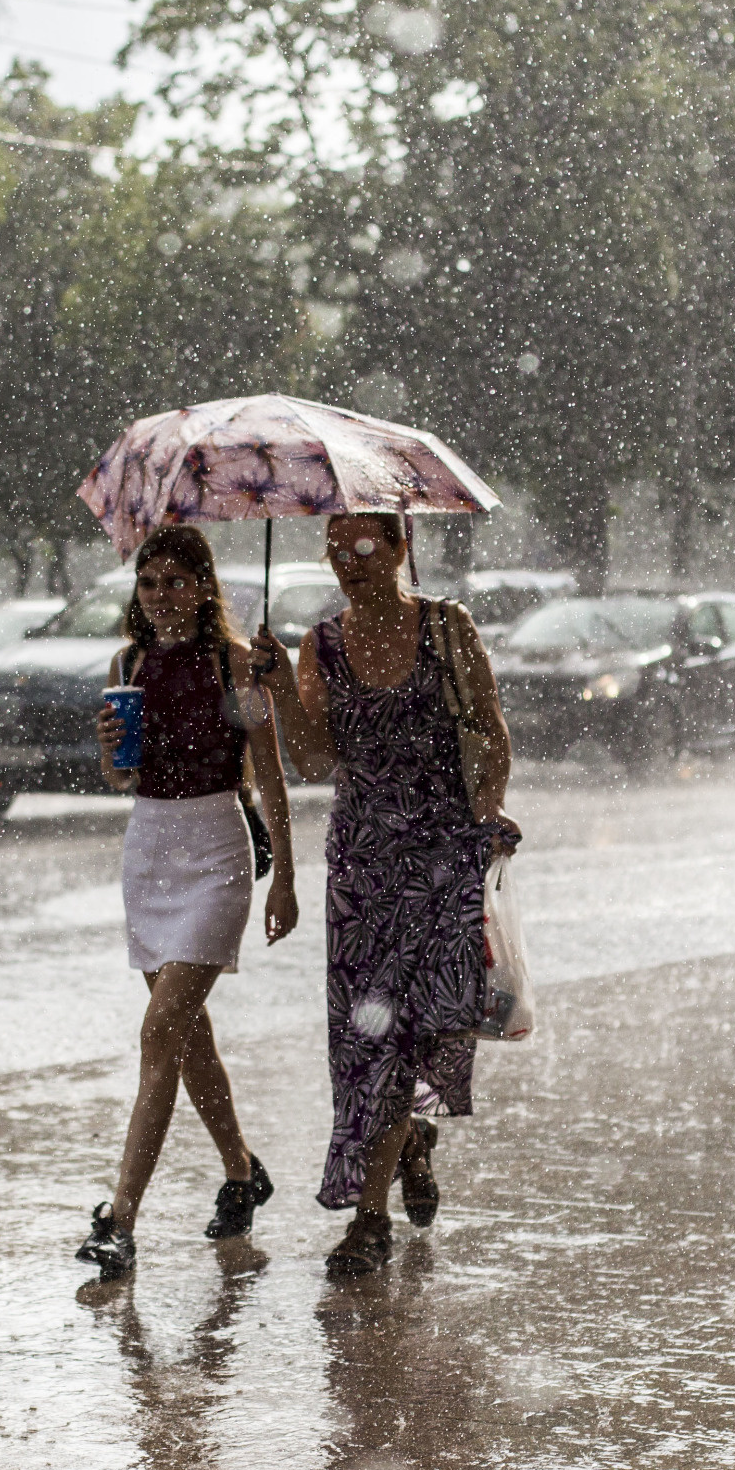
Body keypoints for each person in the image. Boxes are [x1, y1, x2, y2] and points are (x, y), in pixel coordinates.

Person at [259, 510, 518, 1278]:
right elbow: (312, 759)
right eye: (335, 551)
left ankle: (384, 1187)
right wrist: (277, 690)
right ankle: (381, 1194)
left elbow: (490, 728)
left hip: (441, 862)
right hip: (364, 870)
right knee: (367, 1041)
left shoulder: (447, 627)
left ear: (403, 547)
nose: (349, 562)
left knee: (414, 1032)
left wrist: (487, 811)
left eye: (366, 547)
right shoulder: (322, 644)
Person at [76, 527, 300, 1281]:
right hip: (149, 852)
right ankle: (242, 1171)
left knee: (160, 1029)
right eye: (149, 582)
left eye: (176, 580)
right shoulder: (127, 666)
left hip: (214, 852)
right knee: (187, 1039)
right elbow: (119, 779)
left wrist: (288, 878)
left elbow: (270, 777)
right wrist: (110, 749)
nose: (161, 594)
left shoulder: (235, 664)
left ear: (205, 588)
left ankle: (121, 1218)